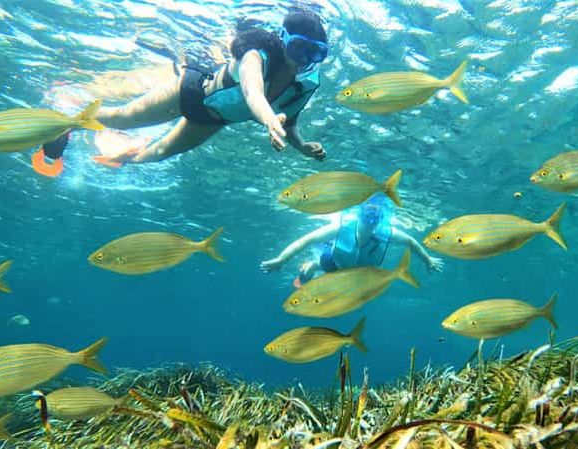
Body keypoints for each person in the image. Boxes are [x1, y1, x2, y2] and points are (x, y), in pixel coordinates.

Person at [79, 10, 329, 167]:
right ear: (282, 37)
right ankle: (69, 120)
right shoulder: (255, 54)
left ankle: (119, 159)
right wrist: (268, 119)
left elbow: (290, 123)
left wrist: (303, 146)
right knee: (122, 119)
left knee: (158, 153)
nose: (305, 58)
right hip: (190, 92)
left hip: (213, 120)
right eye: (299, 47)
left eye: (315, 53)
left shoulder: (303, 86)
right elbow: (252, 92)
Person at [261, 195, 444, 287]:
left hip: (361, 276)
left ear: (381, 216)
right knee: (316, 266)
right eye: (367, 213)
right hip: (334, 263)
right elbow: (306, 240)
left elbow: (411, 241)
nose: (371, 219)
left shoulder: (387, 233)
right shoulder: (341, 227)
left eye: (376, 214)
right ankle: (310, 266)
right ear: (360, 213)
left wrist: (428, 260)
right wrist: (281, 260)